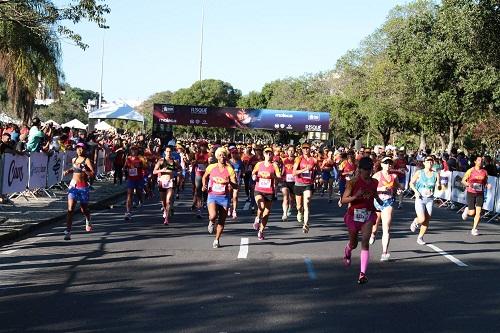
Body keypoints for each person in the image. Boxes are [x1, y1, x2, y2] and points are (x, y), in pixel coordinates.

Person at [341, 157, 378, 284]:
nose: (368, 172)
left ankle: (362, 274)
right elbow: (343, 200)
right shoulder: (353, 182)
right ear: (360, 170)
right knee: (354, 243)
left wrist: (380, 201)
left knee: (365, 242)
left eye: (370, 169)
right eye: (366, 169)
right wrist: (356, 196)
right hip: (353, 216)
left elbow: (375, 194)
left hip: (368, 215)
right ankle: (348, 250)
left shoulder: (374, 182)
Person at [202, 147, 238, 248]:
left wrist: (230, 182)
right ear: (217, 157)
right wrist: (204, 185)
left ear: (226, 157)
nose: (222, 157)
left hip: (224, 197)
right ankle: (211, 221)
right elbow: (205, 176)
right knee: (213, 215)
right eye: (220, 155)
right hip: (212, 195)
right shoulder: (211, 167)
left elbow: (236, 186)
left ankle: (216, 240)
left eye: (224, 155)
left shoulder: (230, 169)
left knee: (222, 220)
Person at [369, 157, 403, 261]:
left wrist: (399, 191)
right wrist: (380, 189)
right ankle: (373, 234)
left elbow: (398, 187)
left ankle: (384, 252)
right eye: (385, 163)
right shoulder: (377, 175)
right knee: (374, 226)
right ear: (382, 164)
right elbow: (370, 189)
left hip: (388, 202)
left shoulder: (394, 176)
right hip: (377, 202)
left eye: (390, 163)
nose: (388, 165)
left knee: (386, 228)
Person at [62, 143, 95, 240]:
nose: (79, 150)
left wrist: (85, 170)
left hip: (83, 187)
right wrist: (68, 171)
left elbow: (92, 174)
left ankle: (88, 219)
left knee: (83, 209)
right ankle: (68, 231)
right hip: (73, 187)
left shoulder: (87, 160)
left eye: (81, 148)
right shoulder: (74, 160)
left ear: (84, 150)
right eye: (77, 148)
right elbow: (75, 169)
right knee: (70, 209)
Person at [409, 156, 441, 245]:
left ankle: (420, 237)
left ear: (433, 163)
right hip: (420, 198)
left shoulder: (436, 174)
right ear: (424, 163)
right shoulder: (419, 172)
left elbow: (439, 186)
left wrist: (439, 185)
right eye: (428, 161)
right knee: (421, 218)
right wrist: (415, 191)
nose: (430, 163)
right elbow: (411, 183)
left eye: (431, 162)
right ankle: (416, 221)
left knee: (427, 219)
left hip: (430, 199)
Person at [252, 147, 281, 240]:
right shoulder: (259, 164)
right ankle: (257, 218)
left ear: (272, 155)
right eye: (266, 153)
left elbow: (279, 177)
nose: (268, 155)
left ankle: (261, 231)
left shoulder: (274, 165)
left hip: (269, 191)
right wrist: (254, 176)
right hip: (259, 189)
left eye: (270, 153)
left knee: (267, 212)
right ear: (264, 154)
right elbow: (253, 173)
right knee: (261, 205)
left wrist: (273, 176)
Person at [461, 156, 492, 236]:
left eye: (481, 160)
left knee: (478, 212)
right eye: (479, 160)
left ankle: (474, 229)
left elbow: (485, 182)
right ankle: (467, 210)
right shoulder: (470, 170)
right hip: (471, 192)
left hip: (480, 193)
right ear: (475, 161)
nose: (480, 162)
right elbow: (463, 181)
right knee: (472, 213)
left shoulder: (484, 172)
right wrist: (469, 184)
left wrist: (487, 185)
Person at [293, 142, 317, 233]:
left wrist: (317, 176)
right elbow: (294, 173)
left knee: (306, 203)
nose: (306, 150)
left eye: (307, 148)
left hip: (308, 184)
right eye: (304, 148)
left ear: (310, 149)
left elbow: (318, 170)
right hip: (299, 184)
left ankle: (306, 224)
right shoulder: (298, 159)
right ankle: (299, 212)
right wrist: (305, 169)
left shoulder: (314, 160)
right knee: (299, 206)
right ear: (302, 149)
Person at [153, 146, 179, 225]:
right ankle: (165, 210)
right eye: (167, 151)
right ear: (164, 152)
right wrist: (161, 170)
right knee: (163, 201)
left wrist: (178, 173)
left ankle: (166, 218)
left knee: (168, 201)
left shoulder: (174, 161)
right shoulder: (161, 161)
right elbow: (154, 171)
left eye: (170, 151)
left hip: (170, 182)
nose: (168, 153)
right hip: (162, 182)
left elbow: (179, 169)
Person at [124, 146, 147, 220]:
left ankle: (140, 200)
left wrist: (140, 165)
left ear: (137, 151)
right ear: (130, 151)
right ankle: (128, 212)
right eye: (132, 149)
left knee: (138, 192)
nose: (133, 151)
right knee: (129, 194)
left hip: (139, 178)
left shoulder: (140, 158)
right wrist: (125, 170)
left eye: (135, 149)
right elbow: (125, 167)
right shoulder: (128, 158)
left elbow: (145, 166)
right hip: (131, 179)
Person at [192, 141, 209, 218]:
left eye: (204, 146)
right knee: (198, 190)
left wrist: (207, 164)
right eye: (201, 146)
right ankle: (199, 210)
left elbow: (210, 165)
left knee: (205, 190)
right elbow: (193, 164)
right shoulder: (197, 154)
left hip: (206, 175)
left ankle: (205, 202)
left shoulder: (208, 155)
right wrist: (194, 162)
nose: (202, 147)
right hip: (198, 174)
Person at [281, 145, 296, 221]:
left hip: (294, 181)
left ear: (294, 152)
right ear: (287, 151)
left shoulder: (297, 160)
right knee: (285, 196)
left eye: (292, 150)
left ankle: (290, 208)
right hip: (285, 181)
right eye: (289, 150)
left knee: (292, 199)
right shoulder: (284, 160)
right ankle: (284, 214)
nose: (291, 152)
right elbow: (281, 169)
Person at [228, 146, 244, 219]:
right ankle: (229, 208)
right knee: (229, 196)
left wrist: (242, 175)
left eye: (235, 153)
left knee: (235, 196)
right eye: (232, 153)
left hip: (237, 182)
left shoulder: (240, 162)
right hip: (229, 182)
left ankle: (234, 210)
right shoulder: (228, 162)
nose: (234, 154)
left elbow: (243, 171)